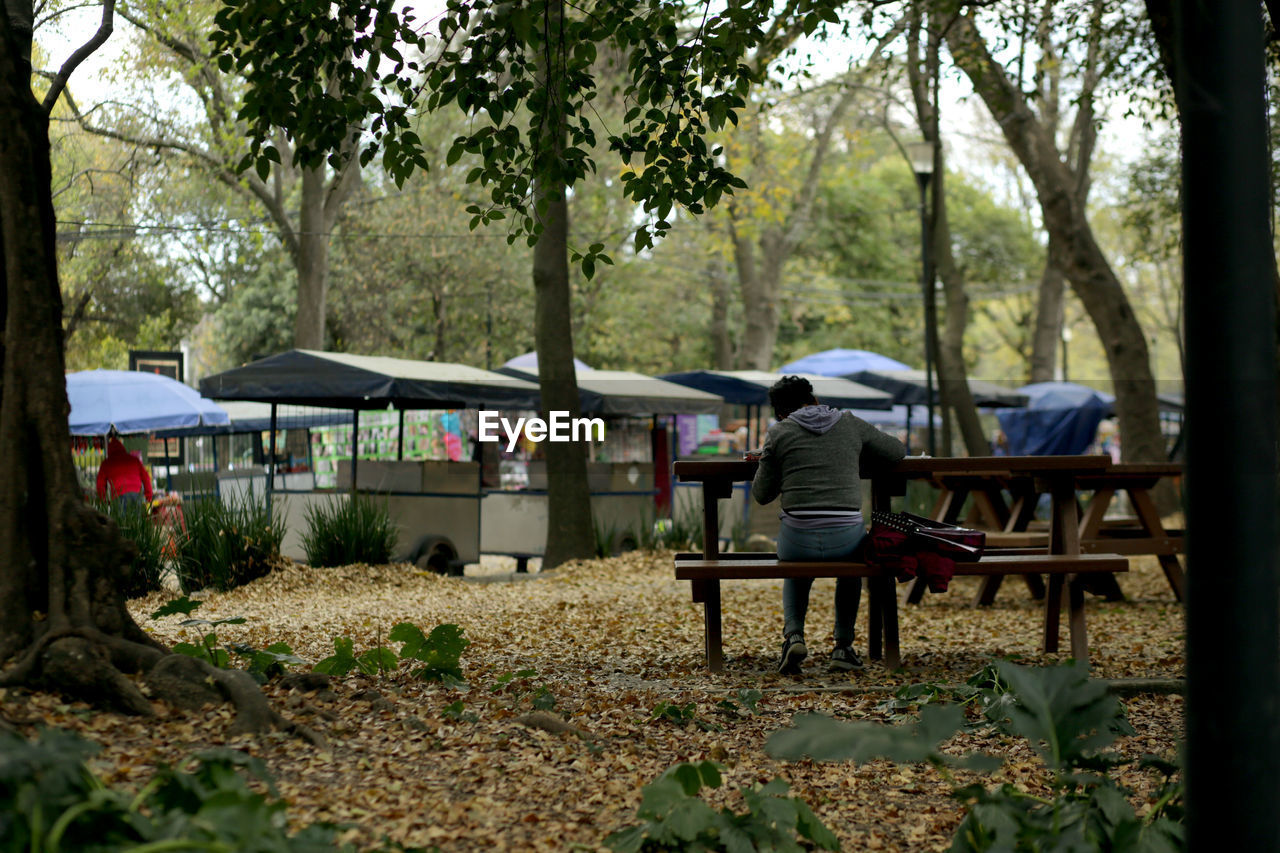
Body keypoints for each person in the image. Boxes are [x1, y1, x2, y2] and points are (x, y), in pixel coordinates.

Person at [751, 375, 907, 674]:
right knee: (851, 567)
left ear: (781, 412)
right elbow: (896, 452)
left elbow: (761, 494)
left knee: (795, 567)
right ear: (815, 400)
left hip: (798, 539)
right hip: (847, 536)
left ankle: (794, 635)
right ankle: (843, 647)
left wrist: (773, 460)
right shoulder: (850, 423)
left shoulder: (780, 432)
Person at [96, 428, 154, 506]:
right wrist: (149, 496)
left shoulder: (106, 463)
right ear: (122, 448)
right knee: (136, 518)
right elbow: (146, 478)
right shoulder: (134, 460)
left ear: (109, 451)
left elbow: (100, 484)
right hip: (136, 493)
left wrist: (103, 500)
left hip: (119, 495)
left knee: (121, 518)